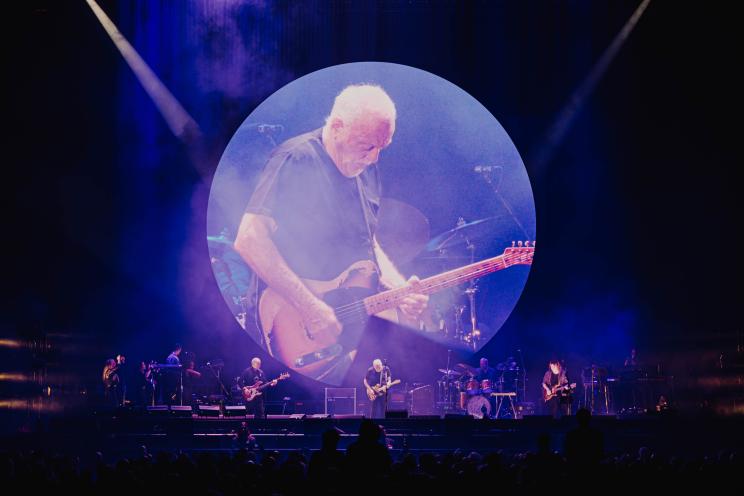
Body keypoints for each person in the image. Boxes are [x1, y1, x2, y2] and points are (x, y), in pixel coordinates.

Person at [234, 84, 428, 383]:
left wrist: (400, 290)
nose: (374, 158)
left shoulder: (366, 169)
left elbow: (369, 243)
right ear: (337, 127)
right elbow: (249, 238)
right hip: (292, 322)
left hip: (346, 326)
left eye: (381, 148)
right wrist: (309, 306)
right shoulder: (296, 158)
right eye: (367, 146)